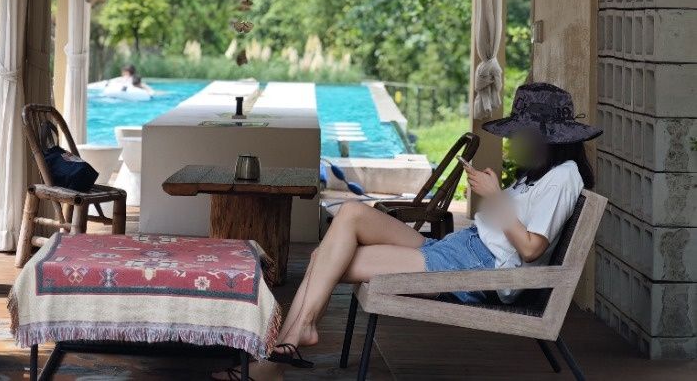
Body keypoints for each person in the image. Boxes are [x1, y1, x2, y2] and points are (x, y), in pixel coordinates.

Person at [214, 83, 602, 380]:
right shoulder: (540, 173)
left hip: (474, 267)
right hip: (461, 247)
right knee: (350, 213)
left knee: (324, 258)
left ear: (550, 136)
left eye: (522, 134)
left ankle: (278, 355)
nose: (515, 141)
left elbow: (531, 249)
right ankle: (294, 338)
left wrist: (495, 196)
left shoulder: (564, 177)